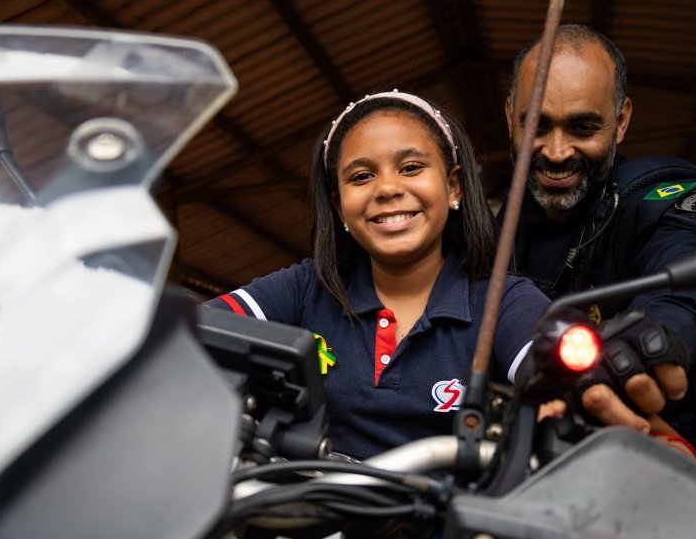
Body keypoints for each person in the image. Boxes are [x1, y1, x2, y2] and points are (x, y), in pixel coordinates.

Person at [207, 90, 551, 461]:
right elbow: (196, 331)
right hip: (310, 510)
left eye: (411, 168)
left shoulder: (506, 302)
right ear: (339, 206)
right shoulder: (307, 287)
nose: (387, 189)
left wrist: (556, 394)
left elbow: (560, 376)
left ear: (453, 187)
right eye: (362, 176)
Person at [505, 24, 696, 482]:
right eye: (537, 126)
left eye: (583, 127)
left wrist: (660, 330)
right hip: (598, 466)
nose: (557, 151)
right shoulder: (503, 231)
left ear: (621, 121)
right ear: (510, 118)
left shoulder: (656, 195)